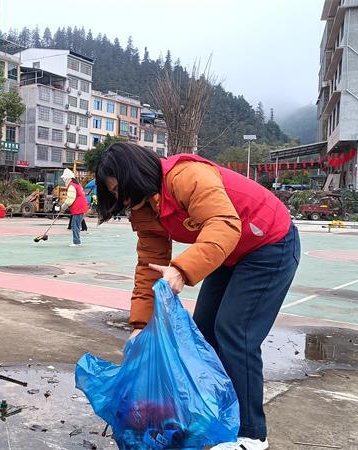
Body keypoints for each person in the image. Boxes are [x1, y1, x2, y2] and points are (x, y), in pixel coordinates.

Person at [94, 143, 299, 450]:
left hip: (269, 243)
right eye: (113, 194)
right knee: (204, 331)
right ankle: (214, 413)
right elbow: (149, 266)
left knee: (234, 330)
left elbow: (224, 224)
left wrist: (182, 269)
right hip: (229, 253)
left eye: (120, 189)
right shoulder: (144, 208)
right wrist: (140, 325)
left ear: (136, 173)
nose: (121, 200)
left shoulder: (186, 177)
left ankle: (251, 433)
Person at [60, 168, 89, 247]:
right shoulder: (77, 184)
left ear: (67, 178)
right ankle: (77, 241)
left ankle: (76, 242)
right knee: (76, 225)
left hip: (78, 208)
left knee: (75, 226)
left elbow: (70, 199)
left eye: (64, 178)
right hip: (81, 207)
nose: (63, 180)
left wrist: (63, 207)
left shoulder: (72, 186)